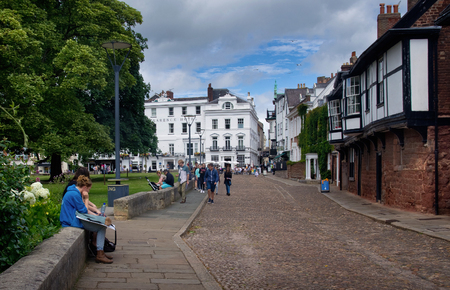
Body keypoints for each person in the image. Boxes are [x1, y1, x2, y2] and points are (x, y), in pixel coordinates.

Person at [60, 175, 113, 264]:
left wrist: (97, 216)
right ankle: (100, 254)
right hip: (71, 221)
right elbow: (84, 210)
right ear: (84, 187)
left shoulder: (73, 191)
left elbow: (83, 209)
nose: (88, 191)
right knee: (101, 227)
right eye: (88, 189)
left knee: (101, 224)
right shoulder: (74, 194)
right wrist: (86, 198)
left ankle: (100, 252)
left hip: (73, 217)